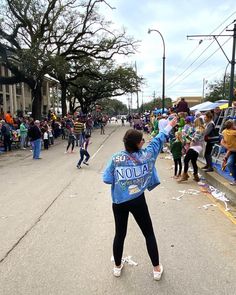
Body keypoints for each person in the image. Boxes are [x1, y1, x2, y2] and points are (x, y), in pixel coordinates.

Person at [103, 116, 177, 280]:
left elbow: (107, 179)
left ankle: (117, 267)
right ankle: (156, 269)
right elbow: (159, 139)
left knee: (119, 234)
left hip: (119, 202)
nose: (144, 141)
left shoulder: (116, 158)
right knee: (148, 233)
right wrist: (170, 126)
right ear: (137, 144)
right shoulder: (147, 155)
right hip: (138, 200)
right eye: (142, 140)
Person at [178, 118, 205, 182]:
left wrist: (186, 136)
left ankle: (185, 175)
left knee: (186, 160)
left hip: (195, 146)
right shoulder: (199, 129)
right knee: (193, 161)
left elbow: (194, 140)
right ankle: (196, 176)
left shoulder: (199, 130)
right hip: (197, 146)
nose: (193, 123)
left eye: (194, 122)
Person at [220, 120, 236, 185]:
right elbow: (222, 142)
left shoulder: (224, 132)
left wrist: (228, 147)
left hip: (231, 151)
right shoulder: (233, 132)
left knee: (229, 164)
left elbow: (222, 142)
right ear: (232, 126)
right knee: (229, 164)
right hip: (232, 152)